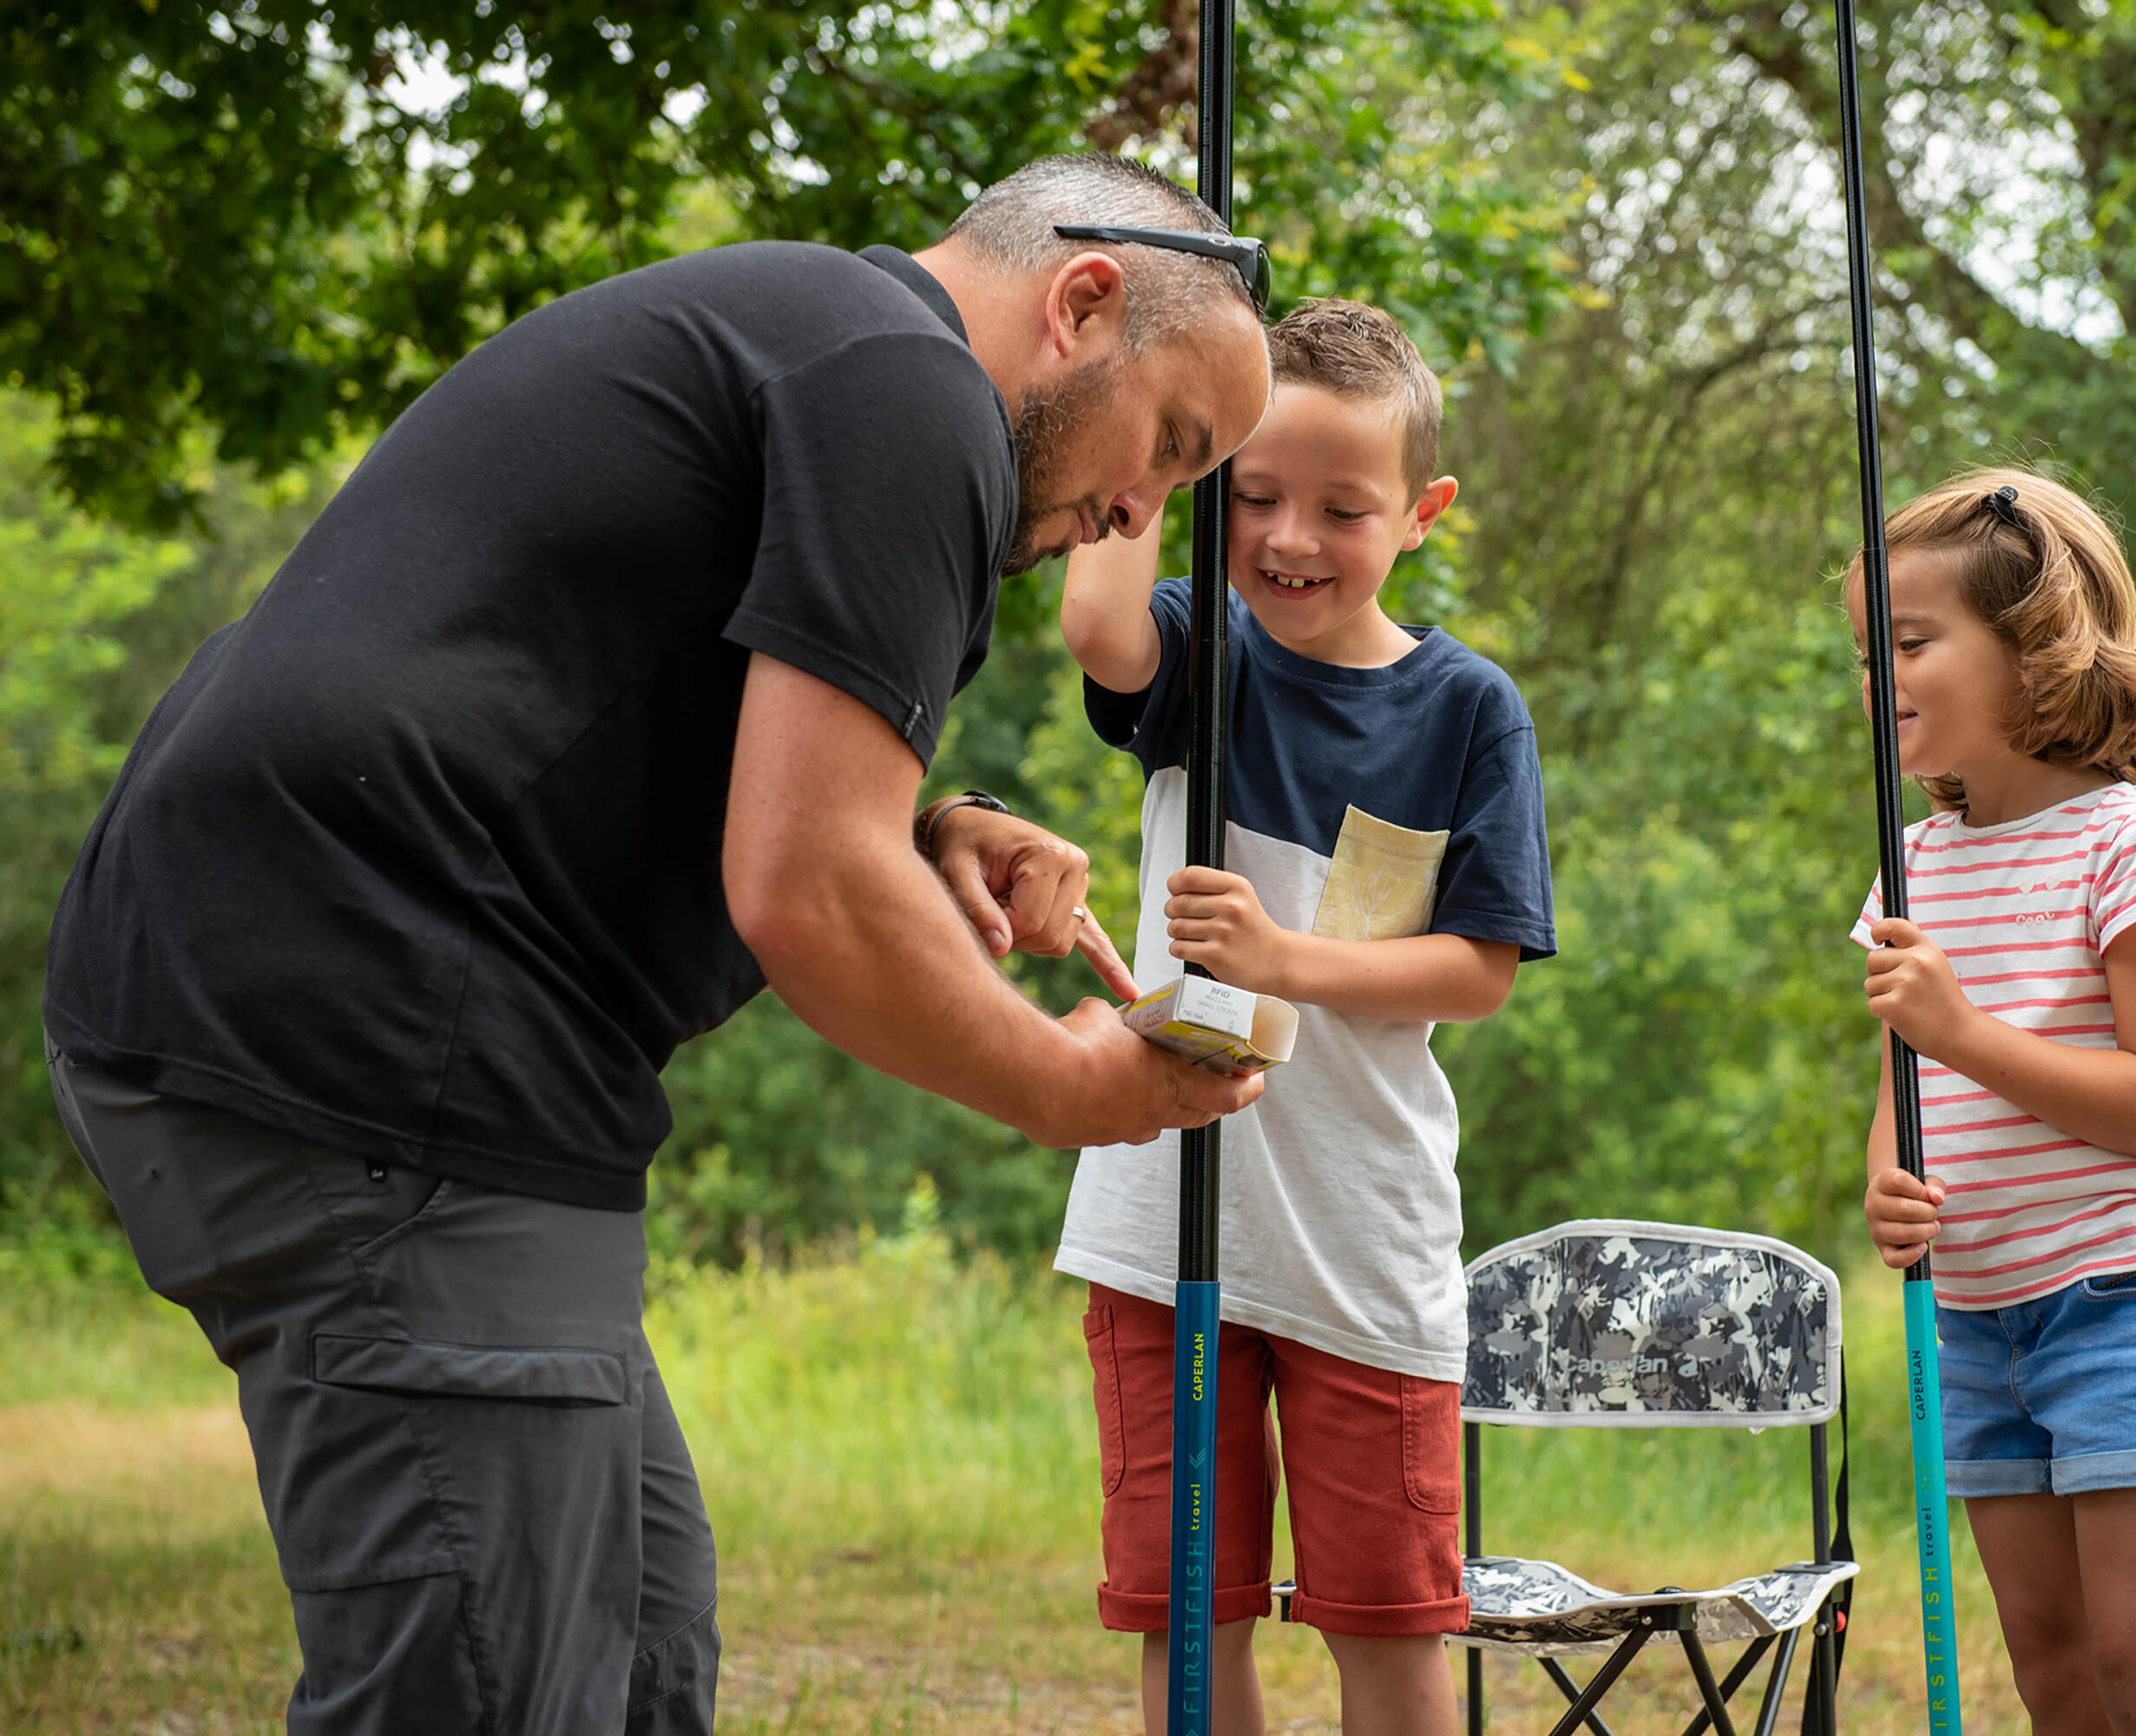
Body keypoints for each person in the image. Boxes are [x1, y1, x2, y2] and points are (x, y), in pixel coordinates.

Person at [42, 153, 1278, 1735]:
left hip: (322, 994)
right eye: (1170, 448)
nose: (1140, 513)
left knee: (634, 1653)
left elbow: (624, 709)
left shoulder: (824, 343)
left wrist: (928, 827)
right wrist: (1068, 1086)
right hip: (377, 1017)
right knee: (499, 1695)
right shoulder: (910, 388)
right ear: (1083, 302)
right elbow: (807, 890)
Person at [1055, 299, 1557, 1736]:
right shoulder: (1201, 649)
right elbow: (1095, 619)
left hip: (1361, 1238)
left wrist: (1279, 958)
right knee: (1189, 1631)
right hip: (1166, 1227)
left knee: (1390, 1633)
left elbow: (1478, 969)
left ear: (1421, 514)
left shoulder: (1467, 708)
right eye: (1253, 493)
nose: (1286, 538)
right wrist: (1146, 403)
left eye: (1342, 508)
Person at [1849, 468, 2136, 1734]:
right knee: (2052, 1668)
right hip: (1974, 1316)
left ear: (2038, 649)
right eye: (1866, 655)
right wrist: (1887, 1178)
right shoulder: (1912, 862)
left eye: (1911, 645)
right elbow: (1902, 1070)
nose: (1879, 682)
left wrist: (1963, 1029)